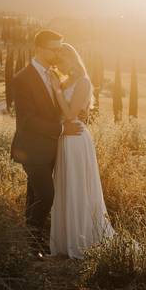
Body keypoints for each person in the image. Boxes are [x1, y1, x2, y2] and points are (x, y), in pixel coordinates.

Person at [10, 29, 82, 257]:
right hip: (30, 149)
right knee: (46, 195)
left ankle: (31, 245)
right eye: (55, 49)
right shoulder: (23, 78)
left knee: (34, 197)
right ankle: (32, 245)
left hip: (51, 148)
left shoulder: (53, 74)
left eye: (61, 48)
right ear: (40, 49)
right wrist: (62, 129)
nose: (59, 53)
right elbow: (27, 121)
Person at [48, 43, 115, 259]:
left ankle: (82, 240)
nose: (58, 63)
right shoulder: (66, 81)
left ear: (70, 59)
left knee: (78, 187)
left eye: (60, 59)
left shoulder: (84, 83)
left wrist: (57, 90)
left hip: (76, 139)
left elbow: (70, 115)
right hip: (63, 139)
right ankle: (65, 242)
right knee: (66, 187)